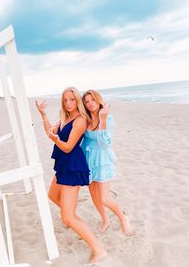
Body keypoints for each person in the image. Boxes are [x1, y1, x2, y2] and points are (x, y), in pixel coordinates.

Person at [36, 87, 107, 263]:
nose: (68, 103)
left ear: (77, 101)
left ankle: (99, 250)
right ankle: (79, 224)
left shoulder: (80, 120)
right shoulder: (65, 118)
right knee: (53, 196)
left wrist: (56, 140)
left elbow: (68, 147)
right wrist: (43, 115)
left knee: (67, 217)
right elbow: (49, 133)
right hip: (63, 165)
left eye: (72, 100)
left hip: (73, 166)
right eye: (65, 100)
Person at [81, 89, 132, 235]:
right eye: (87, 102)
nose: (90, 104)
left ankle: (123, 218)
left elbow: (105, 144)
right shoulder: (86, 119)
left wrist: (102, 120)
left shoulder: (108, 119)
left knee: (104, 197)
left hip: (102, 160)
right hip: (87, 159)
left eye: (93, 100)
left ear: (98, 100)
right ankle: (105, 219)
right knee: (93, 193)